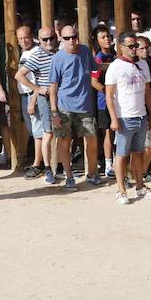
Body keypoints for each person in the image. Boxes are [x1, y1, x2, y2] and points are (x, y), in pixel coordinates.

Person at [104, 31, 151, 205]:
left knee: (138, 153)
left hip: (141, 115)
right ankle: (121, 190)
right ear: (121, 47)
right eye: (131, 46)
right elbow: (109, 95)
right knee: (121, 155)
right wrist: (113, 118)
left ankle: (140, 186)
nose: (135, 49)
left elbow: (148, 91)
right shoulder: (115, 66)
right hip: (124, 117)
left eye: (136, 46)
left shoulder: (143, 64)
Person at [47, 24, 99, 190]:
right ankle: (69, 176)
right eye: (67, 38)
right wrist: (54, 112)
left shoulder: (84, 51)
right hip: (64, 107)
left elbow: (96, 68)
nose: (72, 40)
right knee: (64, 142)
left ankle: (91, 174)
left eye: (74, 36)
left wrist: (117, 65)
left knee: (92, 140)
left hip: (84, 106)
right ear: (61, 39)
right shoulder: (57, 58)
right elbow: (53, 86)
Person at [16, 25, 56, 180]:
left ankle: (40, 165)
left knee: (42, 133)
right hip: (38, 97)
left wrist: (34, 94)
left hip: (40, 97)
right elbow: (21, 76)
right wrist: (37, 91)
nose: (48, 41)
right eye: (20, 38)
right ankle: (42, 166)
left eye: (51, 38)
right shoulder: (33, 53)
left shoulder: (45, 52)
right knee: (41, 132)